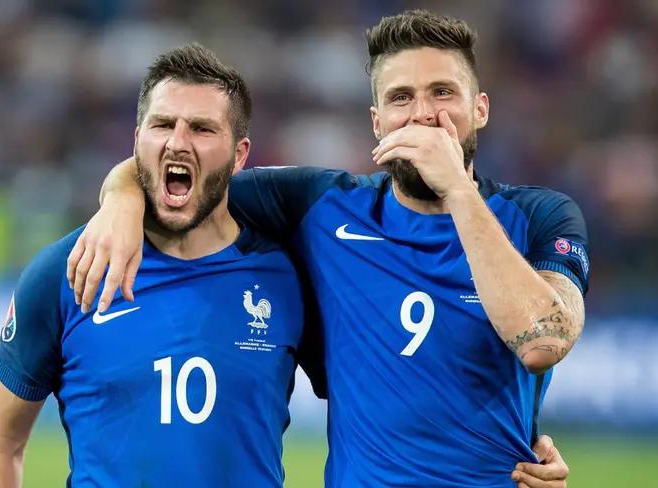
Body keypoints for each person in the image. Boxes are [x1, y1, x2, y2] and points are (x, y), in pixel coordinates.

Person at [69, 10, 584, 487]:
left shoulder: (541, 216)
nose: (423, 115)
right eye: (401, 97)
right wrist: (120, 198)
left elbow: (544, 342)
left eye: (443, 92)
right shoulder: (321, 206)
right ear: (377, 121)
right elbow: (192, 170)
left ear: (480, 108)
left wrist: (459, 192)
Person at [0, 44, 324, 487]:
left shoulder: (287, 277)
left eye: (201, 128)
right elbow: (0, 441)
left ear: (239, 154)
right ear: (137, 142)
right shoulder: (68, 270)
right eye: (162, 124)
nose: (178, 141)